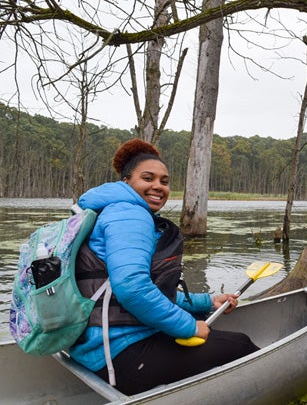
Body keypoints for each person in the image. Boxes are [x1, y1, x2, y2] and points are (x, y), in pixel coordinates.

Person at [70, 138, 259, 395]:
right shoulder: (130, 215)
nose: (158, 186)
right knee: (241, 344)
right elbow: (133, 289)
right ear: (126, 182)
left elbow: (138, 293)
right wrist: (190, 327)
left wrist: (208, 302)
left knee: (204, 323)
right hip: (119, 357)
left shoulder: (111, 210)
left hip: (98, 350)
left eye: (164, 181)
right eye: (148, 178)